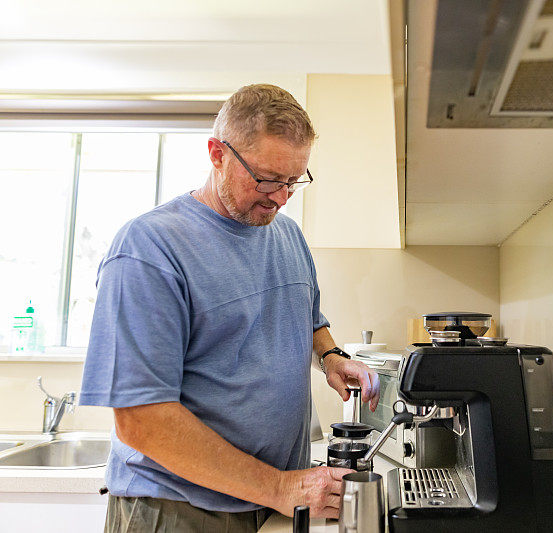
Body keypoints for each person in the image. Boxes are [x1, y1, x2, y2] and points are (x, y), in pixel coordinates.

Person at [79, 84, 380, 532]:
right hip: (179, 511)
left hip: (272, 500)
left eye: (293, 181)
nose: (279, 197)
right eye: (265, 179)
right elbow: (141, 422)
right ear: (217, 153)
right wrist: (282, 489)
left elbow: (307, 316)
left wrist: (331, 356)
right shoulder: (150, 248)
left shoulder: (287, 236)